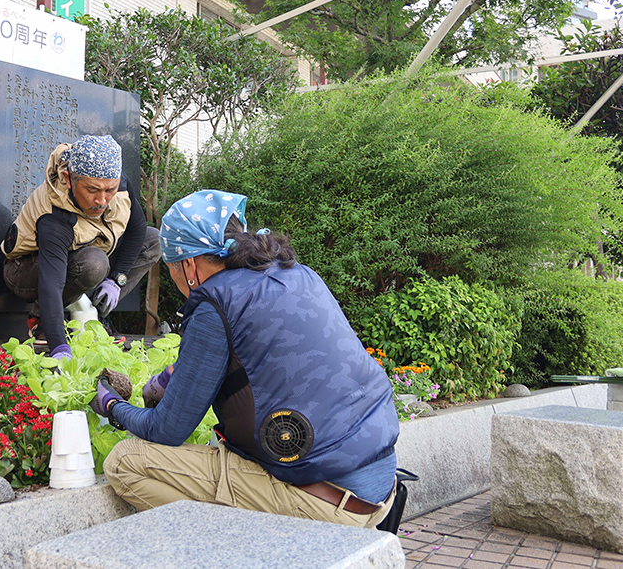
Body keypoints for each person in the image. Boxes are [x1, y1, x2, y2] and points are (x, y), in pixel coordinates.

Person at [90, 190, 399, 528]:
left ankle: (243, 551)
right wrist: (178, 378)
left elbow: (166, 430)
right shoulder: (298, 274)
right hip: (380, 491)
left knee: (125, 462)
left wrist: (112, 406)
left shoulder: (215, 307)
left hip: (323, 506)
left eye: (170, 267)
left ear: (188, 265)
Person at [1, 135, 160, 358]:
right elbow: (51, 283)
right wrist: (59, 347)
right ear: (68, 179)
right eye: (93, 190)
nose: (102, 200)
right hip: (27, 271)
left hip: (82, 257)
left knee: (153, 240)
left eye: (109, 190)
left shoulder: (119, 184)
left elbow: (138, 229)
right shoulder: (54, 217)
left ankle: (94, 314)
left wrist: (117, 279)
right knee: (93, 262)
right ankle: (41, 320)